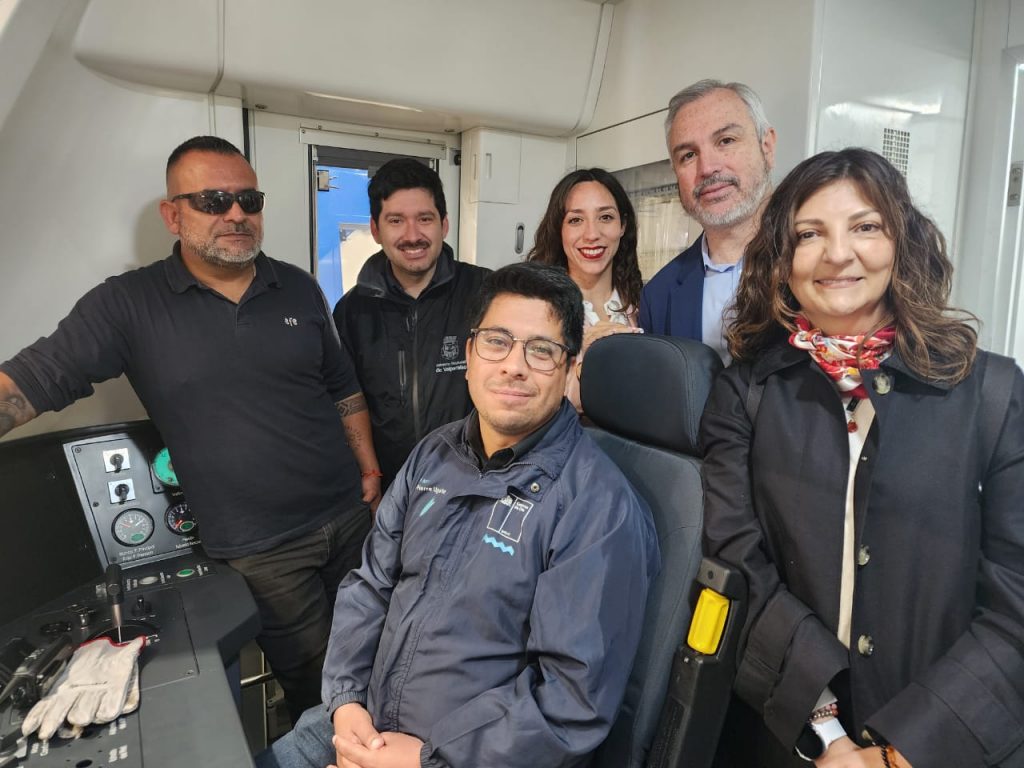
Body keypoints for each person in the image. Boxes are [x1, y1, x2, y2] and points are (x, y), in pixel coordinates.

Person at [0, 136, 383, 723]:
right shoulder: (127, 305)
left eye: (248, 199)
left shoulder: (298, 287)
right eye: (213, 200)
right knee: (319, 686)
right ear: (173, 214)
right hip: (263, 549)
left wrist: (369, 467)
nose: (235, 213)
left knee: (384, 655)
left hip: (351, 517)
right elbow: (33, 382)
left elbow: (342, 386)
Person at [258, 262, 660, 768]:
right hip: (362, 721)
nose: (515, 365)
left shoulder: (596, 505)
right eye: (497, 341)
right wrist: (344, 702)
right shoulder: (434, 454)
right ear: (469, 354)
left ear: (569, 368)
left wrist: (429, 759)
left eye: (542, 350)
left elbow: (570, 699)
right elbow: (370, 585)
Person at [700, 148, 1024, 767]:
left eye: (865, 226)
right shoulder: (747, 394)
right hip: (793, 733)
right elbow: (738, 565)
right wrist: (828, 734)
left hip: (957, 740)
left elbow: (1015, 605)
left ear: (903, 241)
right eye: (808, 234)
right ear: (781, 260)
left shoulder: (995, 395)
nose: (838, 253)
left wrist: (905, 750)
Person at [333, 158, 490, 489]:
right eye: (396, 220)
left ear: (444, 225)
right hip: (392, 487)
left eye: (424, 219)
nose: (412, 235)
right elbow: (348, 400)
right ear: (375, 229)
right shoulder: (352, 312)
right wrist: (370, 473)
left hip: (473, 485)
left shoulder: (486, 293)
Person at [640, 79, 776, 362]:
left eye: (725, 141)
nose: (708, 168)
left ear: (767, 146)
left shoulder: (822, 267)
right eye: (688, 155)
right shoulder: (658, 296)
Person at [528, 168, 643, 412]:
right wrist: (585, 364)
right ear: (559, 230)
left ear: (623, 225)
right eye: (575, 220)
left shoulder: (645, 304)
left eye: (605, 217)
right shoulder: (537, 312)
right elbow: (531, 405)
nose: (592, 234)